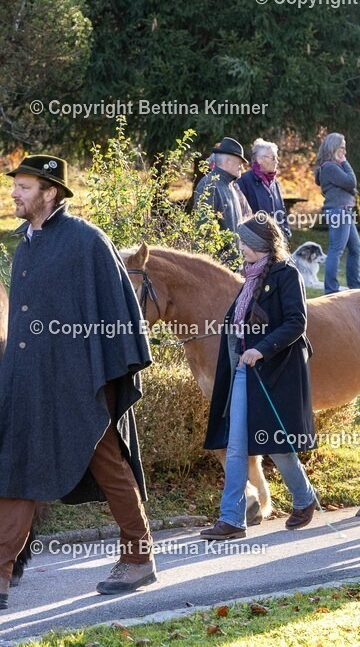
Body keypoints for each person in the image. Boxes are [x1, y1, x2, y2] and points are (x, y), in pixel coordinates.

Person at [0, 155, 154, 608]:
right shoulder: (26, 244)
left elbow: (117, 313)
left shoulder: (86, 241)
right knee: (16, 467)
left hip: (79, 384)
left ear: (50, 192)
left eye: (25, 187)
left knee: (109, 466)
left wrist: (97, 374)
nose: (15, 194)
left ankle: (139, 555)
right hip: (28, 383)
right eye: (16, 187)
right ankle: (2, 575)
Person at [201, 213, 318, 540]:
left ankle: (305, 498)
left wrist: (262, 349)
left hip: (273, 373)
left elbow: (297, 323)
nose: (241, 248)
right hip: (243, 372)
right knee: (237, 444)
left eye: (245, 243)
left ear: (261, 245)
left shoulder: (286, 274)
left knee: (277, 445)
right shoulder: (250, 277)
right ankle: (232, 520)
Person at [314, 132, 360, 293]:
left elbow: (351, 187)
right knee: (336, 250)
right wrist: (345, 163)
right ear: (333, 147)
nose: (345, 152)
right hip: (339, 212)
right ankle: (331, 290)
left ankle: (355, 287)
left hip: (343, 211)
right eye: (342, 148)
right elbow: (351, 182)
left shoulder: (332, 167)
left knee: (355, 247)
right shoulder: (330, 167)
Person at [192, 136, 253, 234]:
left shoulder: (231, 186)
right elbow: (203, 234)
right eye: (239, 163)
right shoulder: (209, 185)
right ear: (227, 162)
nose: (241, 167)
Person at [237, 138, 291, 238]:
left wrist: (286, 230)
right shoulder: (244, 181)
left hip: (277, 240)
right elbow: (241, 214)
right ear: (259, 159)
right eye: (273, 157)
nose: (277, 161)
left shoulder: (275, 182)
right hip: (256, 240)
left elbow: (282, 210)